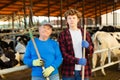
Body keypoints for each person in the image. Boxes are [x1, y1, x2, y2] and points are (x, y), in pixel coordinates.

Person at [58, 9, 94, 80]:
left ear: (78, 20)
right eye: (69, 18)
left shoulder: (85, 33)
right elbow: (63, 53)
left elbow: (91, 51)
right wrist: (77, 61)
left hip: (83, 69)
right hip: (68, 71)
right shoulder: (63, 35)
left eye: (74, 18)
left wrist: (88, 46)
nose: (72, 20)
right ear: (67, 20)